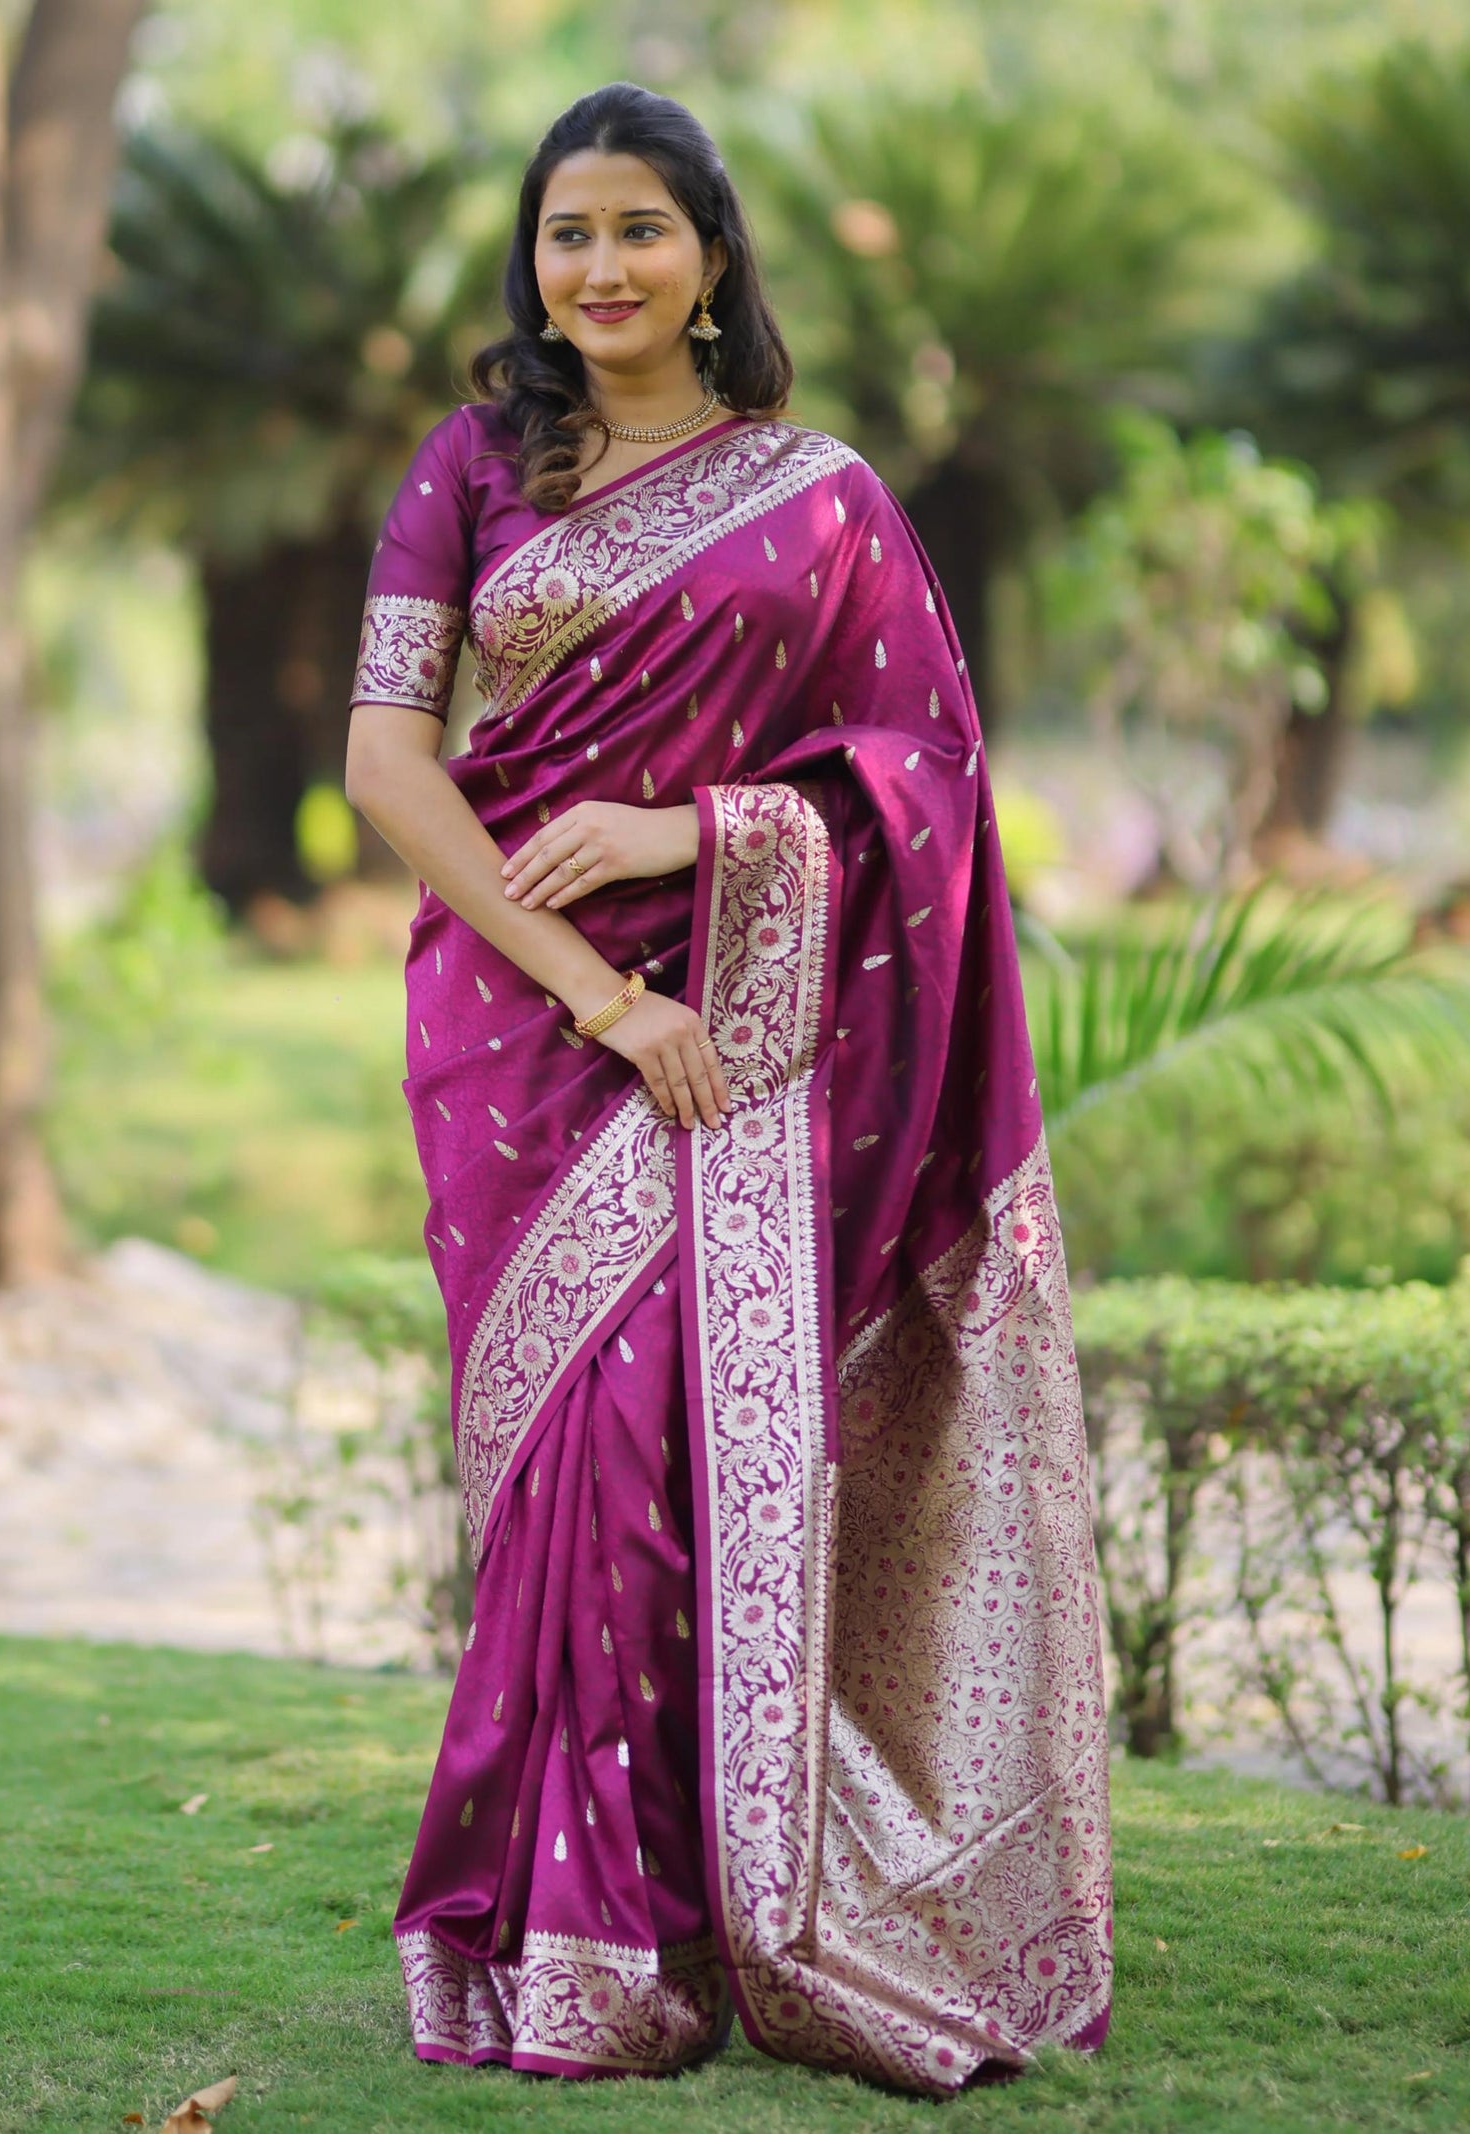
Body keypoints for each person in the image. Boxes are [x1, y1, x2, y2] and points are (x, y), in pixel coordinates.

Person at [344, 79, 1111, 2096]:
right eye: (563, 230)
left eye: (635, 231)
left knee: (665, 1447)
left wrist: (690, 834)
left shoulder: (822, 494)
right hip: (522, 1016)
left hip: (760, 1025)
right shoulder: (475, 461)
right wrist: (599, 987)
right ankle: (542, 1927)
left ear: (708, 260)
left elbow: (924, 782)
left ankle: (649, 1920)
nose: (593, 266)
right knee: (557, 1462)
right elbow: (384, 763)